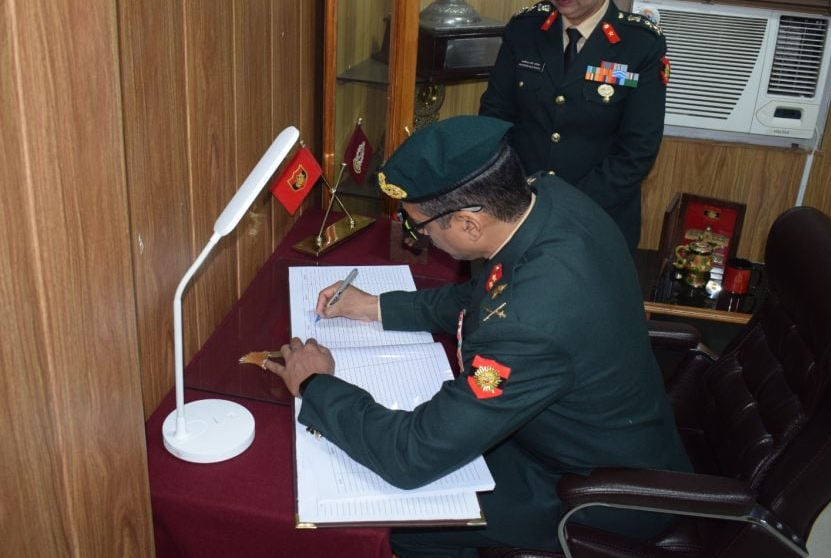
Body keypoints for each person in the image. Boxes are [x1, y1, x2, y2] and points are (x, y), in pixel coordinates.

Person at [266, 115, 689, 557]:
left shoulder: (530, 323)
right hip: (591, 434)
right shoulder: (550, 200)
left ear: (469, 223)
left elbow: (412, 454)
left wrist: (317, 384)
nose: (421, 238)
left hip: (591, 490)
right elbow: (486, 292)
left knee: (405, 525)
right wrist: (376, 306)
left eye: (421, 227)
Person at [479, 0, 669, 255]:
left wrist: (566, 207)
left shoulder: (640, 43)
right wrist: (514, 195)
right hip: (518, 213)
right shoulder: (525, 31)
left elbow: (637, 150)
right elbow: (494, 118)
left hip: (597, 219)